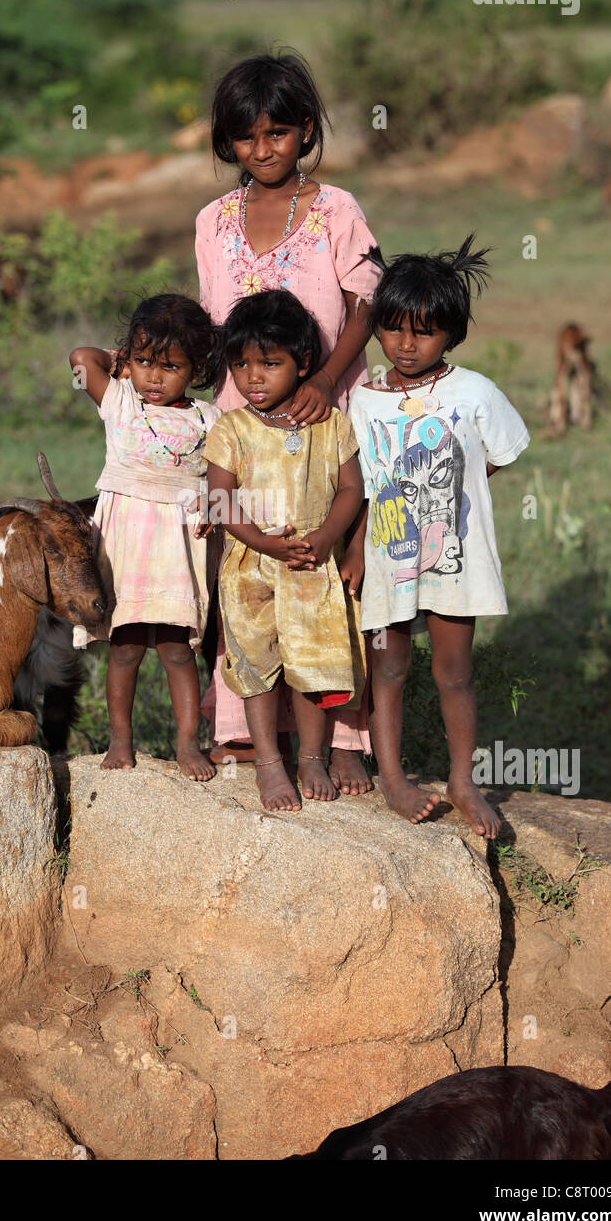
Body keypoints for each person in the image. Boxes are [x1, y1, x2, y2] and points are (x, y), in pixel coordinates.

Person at [196, 50, 380, 788]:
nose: (262, 150)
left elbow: (366, 301)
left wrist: (328, 379)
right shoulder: (213, 221)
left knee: (329, 576)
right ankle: (245, 732)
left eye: (277, 133)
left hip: (325, 414)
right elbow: (215, 328)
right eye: (246, 138)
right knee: (248, 575)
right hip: (245, 428)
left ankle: (341, 739)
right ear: (227, 142)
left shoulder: (337, 209)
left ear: (305, 132)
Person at [346, 236, 530, 838]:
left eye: (423, 332)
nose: (406, 344)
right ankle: (394, 778)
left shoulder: (474, 391)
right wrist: (355, 547)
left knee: (454, 671)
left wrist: (449, 495)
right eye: (394, 329)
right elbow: (366, 485)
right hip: (387, 554)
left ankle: (462, 780)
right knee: (389, 668)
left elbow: (496, 454)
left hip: (456, 557)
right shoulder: (365, 400)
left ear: (450, 333)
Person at [204, 290, 367, 813]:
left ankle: (313, 756)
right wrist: (264, 543)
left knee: (312, 664)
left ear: (303, 364)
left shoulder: (331, 424)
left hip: (311, 567)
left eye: (270, 364)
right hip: (251, 570)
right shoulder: (233, 428)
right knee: (255, 666)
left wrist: (324, 538)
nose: (253, 377)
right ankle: (271, 762)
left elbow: (351, 490)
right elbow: (219, 498)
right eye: (242, 365)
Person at [70, 295, 221, 781]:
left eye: (170, 366)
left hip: (177, 547)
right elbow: (79, 358)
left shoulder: (210, 418)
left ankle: (187, 743)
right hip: (126, 545)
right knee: (126, 646)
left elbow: (223, 480)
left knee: (178, 650)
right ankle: (120, 739)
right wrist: (118, 367)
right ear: (127, 360)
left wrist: (214, 509)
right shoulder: (120, 400)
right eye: (143, 362)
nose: (154, 377)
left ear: (196, 368)